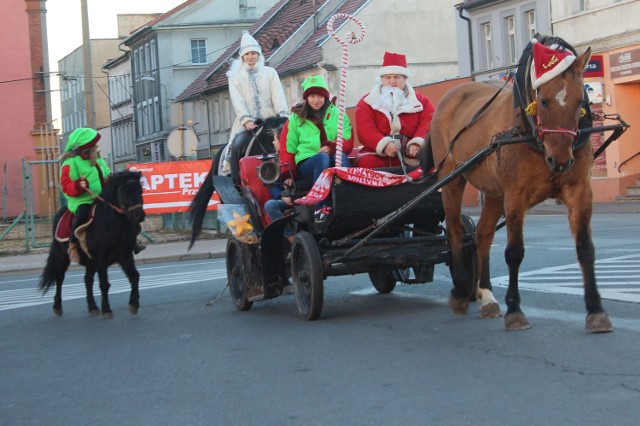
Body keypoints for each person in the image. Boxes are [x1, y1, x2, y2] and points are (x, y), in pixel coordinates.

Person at [279, 75, 353, 222]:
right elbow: (288, 148)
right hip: (307, 162)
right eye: (312, 96)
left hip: (331, 156)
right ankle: (320, 206)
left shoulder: (337, 114)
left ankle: (347, 201)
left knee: (341, 157)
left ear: (325, 97)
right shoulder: (295, 119)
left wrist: (332, 146)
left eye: (320, 96)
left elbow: (347, 140)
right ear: (307, 98)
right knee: (322, 158)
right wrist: (288, 174)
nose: (316, 100)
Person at [354, 52, 436, 169]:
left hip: (410, 154)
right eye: (388, 77)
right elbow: (365, 129)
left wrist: (417, 142)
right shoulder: (367, 102)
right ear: (382, 79)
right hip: (377, 154)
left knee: (430, 167)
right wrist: (384, 144)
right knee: (366, 164)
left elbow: (430, 121)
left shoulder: (422, 102)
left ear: (404, 78)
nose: (392, 82)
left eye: (396, 77)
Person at [222, 31, 289, 174]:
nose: (250, 56)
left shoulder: (270, 73)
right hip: (247, 121)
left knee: (288, 142)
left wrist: (282, 117)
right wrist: (246, 120)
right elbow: (237, 100)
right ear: (242, 57)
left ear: (258, 55)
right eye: (247, 54)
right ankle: (231, 174)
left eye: (253, 53)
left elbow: (278, 96)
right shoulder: (235, 78)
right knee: (236, 143)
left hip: (270, 119)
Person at [59, 127, 111, 263]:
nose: (96, 146)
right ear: (86, 147)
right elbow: (65, 185)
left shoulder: (99, 160)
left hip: (101, 197)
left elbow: (106, 174)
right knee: (82, 213)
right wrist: (78, 185)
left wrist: (111, 180)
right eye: (94, 144)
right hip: (82, 199)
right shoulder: (71, 162)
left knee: (120, 209)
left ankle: (130, 240)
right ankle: (73, 243)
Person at [263, 125, 295, 244]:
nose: (273, 142)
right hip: (285, 198)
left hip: (301, 196)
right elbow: (271, 185)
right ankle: (291, 237)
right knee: (270, 206)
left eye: (275, 139)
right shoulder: (274, 162)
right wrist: (282, 196)